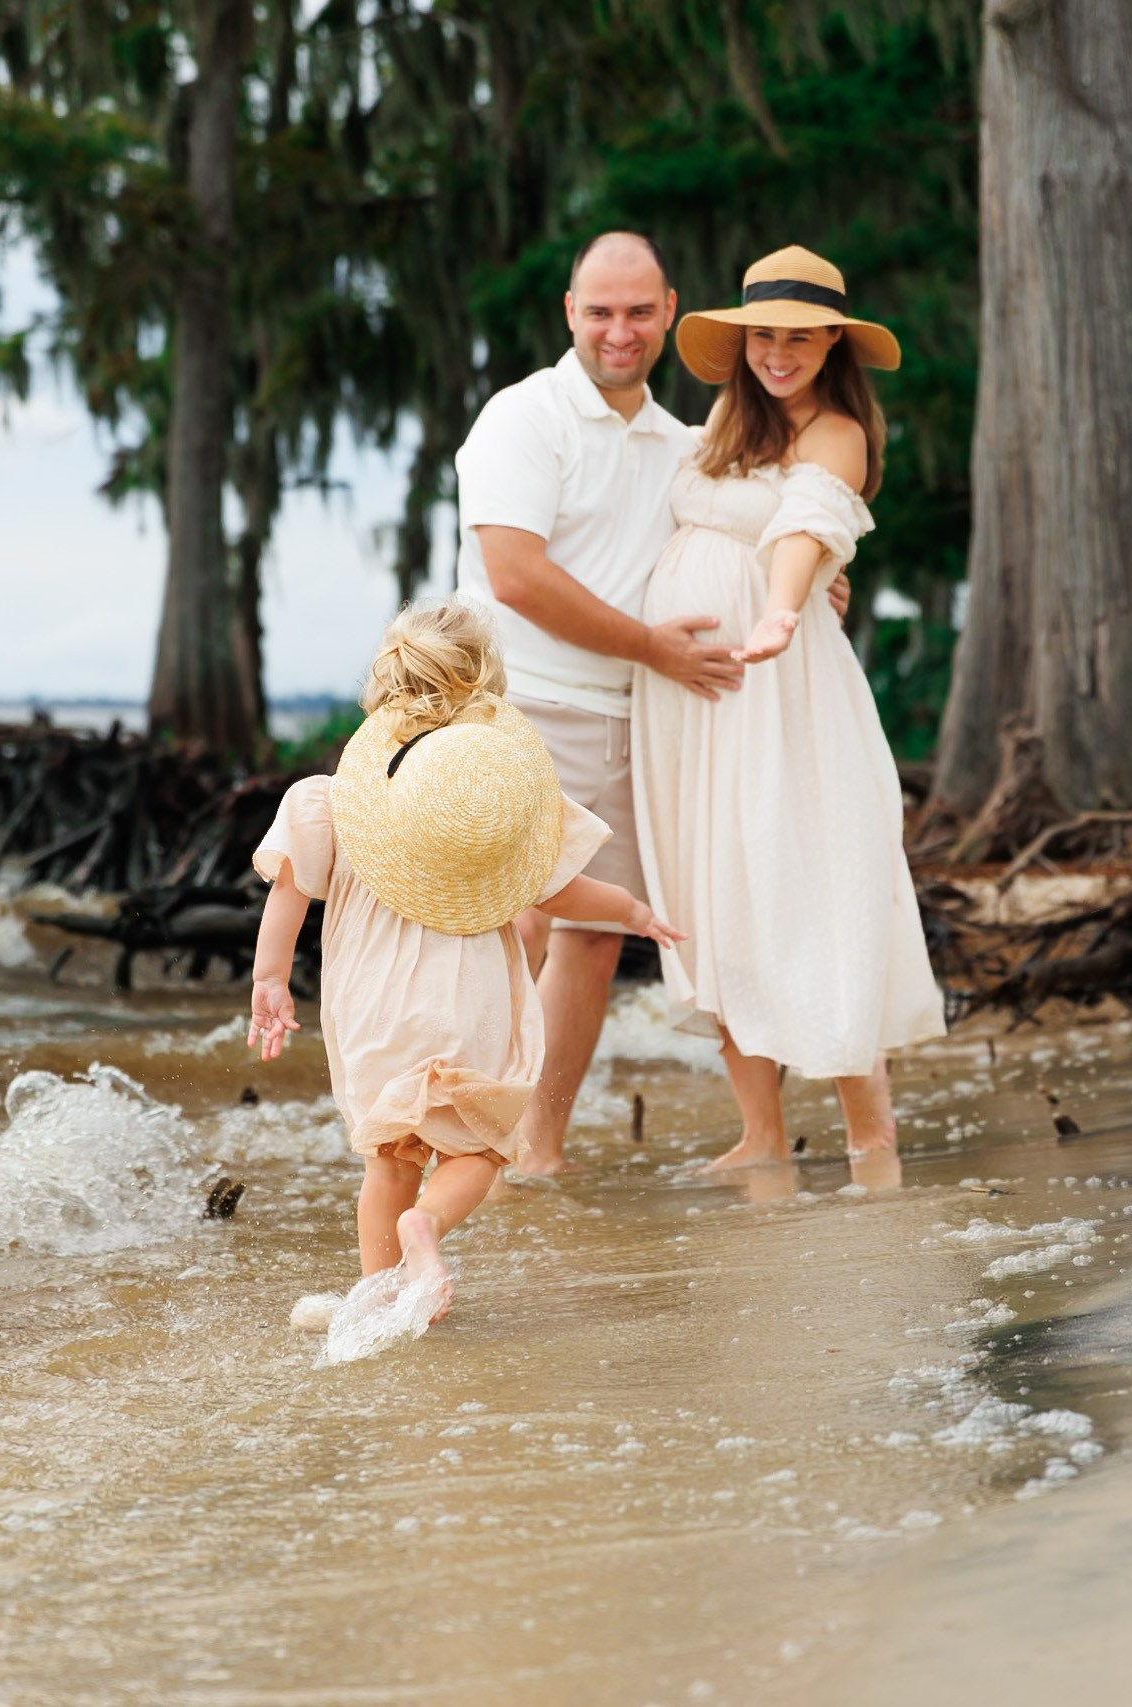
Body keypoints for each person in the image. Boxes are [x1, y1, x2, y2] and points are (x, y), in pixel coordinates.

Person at [453, 230, 843, 1175]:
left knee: (594, 935)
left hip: (635, 716)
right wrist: (654, 648)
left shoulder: (686, 444)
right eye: (598, 312)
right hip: (524, 703)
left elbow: (772, 524)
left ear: (669, 311)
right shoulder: (522, 418)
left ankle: (535, 1149)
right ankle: (459, 1141)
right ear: (569, 314)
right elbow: (514, 576)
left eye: (636, 312)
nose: (618, 332)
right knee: (517, 922)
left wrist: (824, 582)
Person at [246, 604, 681, 1321]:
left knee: (389, 1158)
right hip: (467, 1002)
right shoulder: (496, 805)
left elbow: (288, 896)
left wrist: (270, 981)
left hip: (372, 1007)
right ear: (487, 684)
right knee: (476, 1148)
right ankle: (430, 1227)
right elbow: (564, 889)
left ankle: (379, 1295)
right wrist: (632, 911)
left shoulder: (330, 803)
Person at [631, 245, 947, 1183]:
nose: (778, 352)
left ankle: (870, 1141)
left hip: (780, 687)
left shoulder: (838, 431)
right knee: (711, 887)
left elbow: (808, 524)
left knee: (806, 879)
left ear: (832, 344)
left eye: (799, 338)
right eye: (763, 334)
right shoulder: (728, 416)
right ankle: (762, 1136)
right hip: (690, 696)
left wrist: (781, 606)